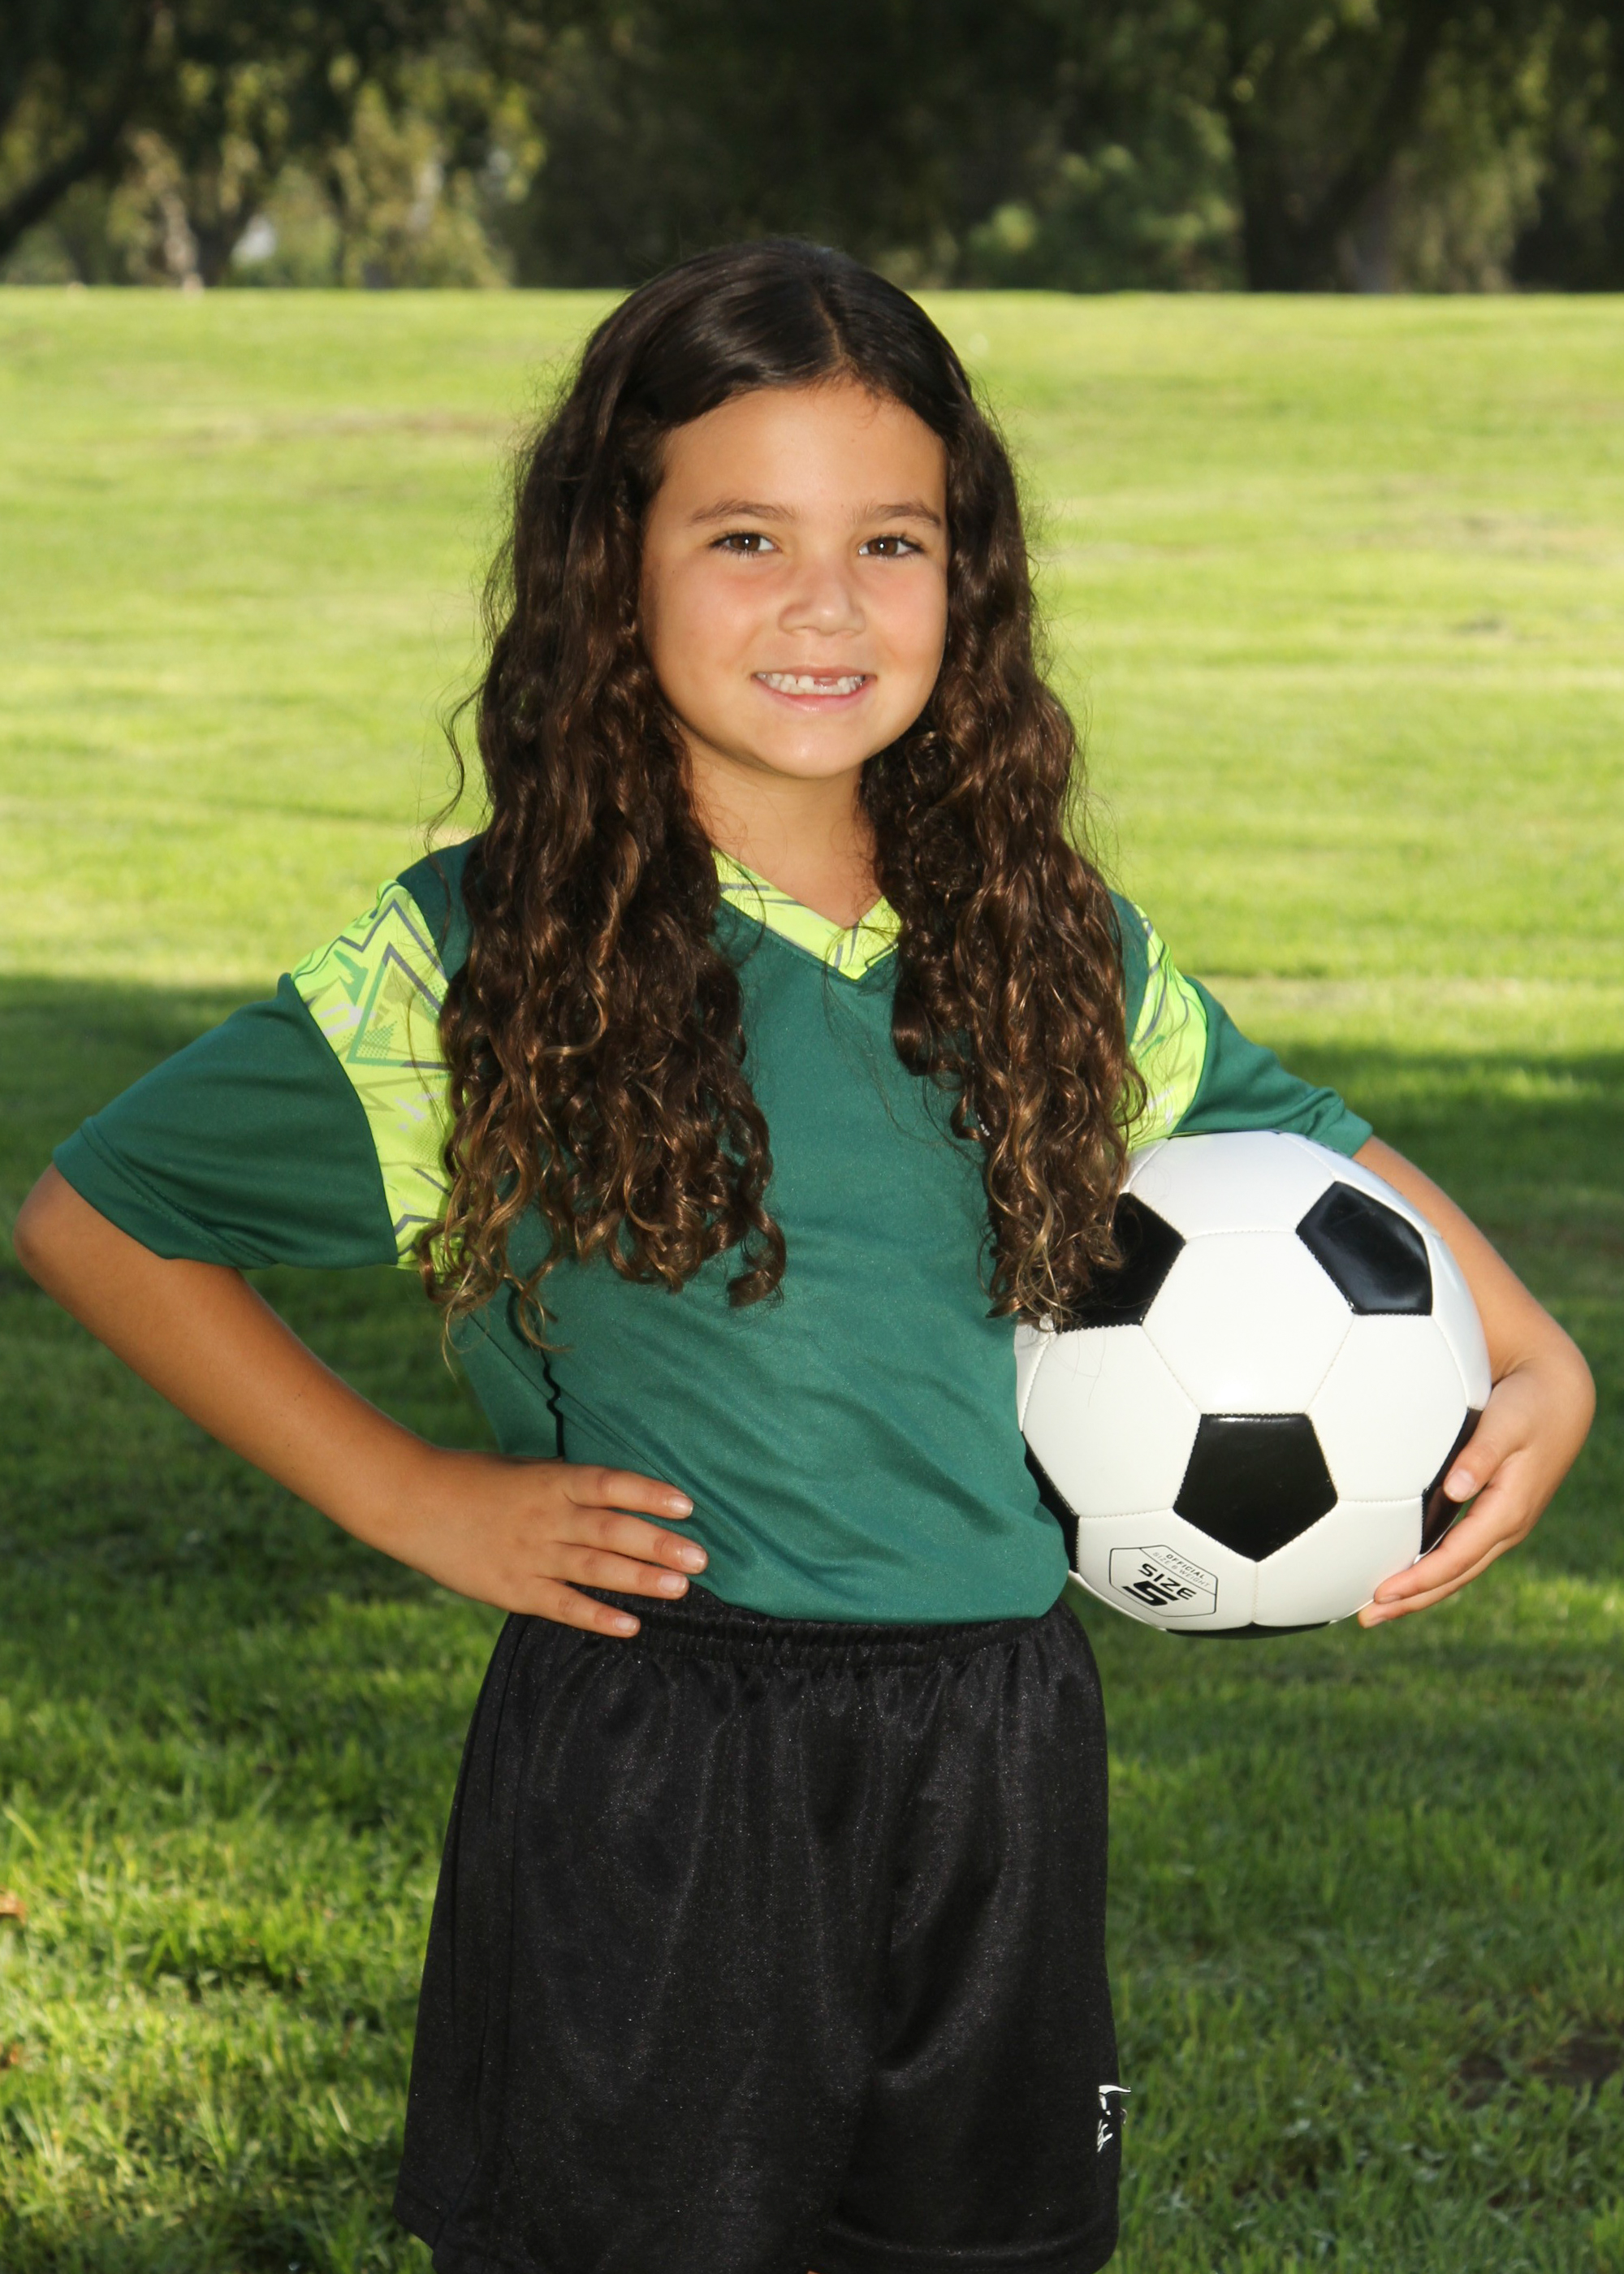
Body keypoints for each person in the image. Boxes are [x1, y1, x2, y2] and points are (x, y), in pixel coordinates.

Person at [14, 241, 1593, 2274]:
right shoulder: (488, 960)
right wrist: (417, 1496)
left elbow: (1293, 1139)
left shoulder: (1039, 934)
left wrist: (1537, 1354)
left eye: (891, 543)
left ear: (967, 577)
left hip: (1000, 1747)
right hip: (662, 1754)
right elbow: (102, 1214)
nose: (826, 603)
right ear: (612, 563)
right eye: (746, 536)